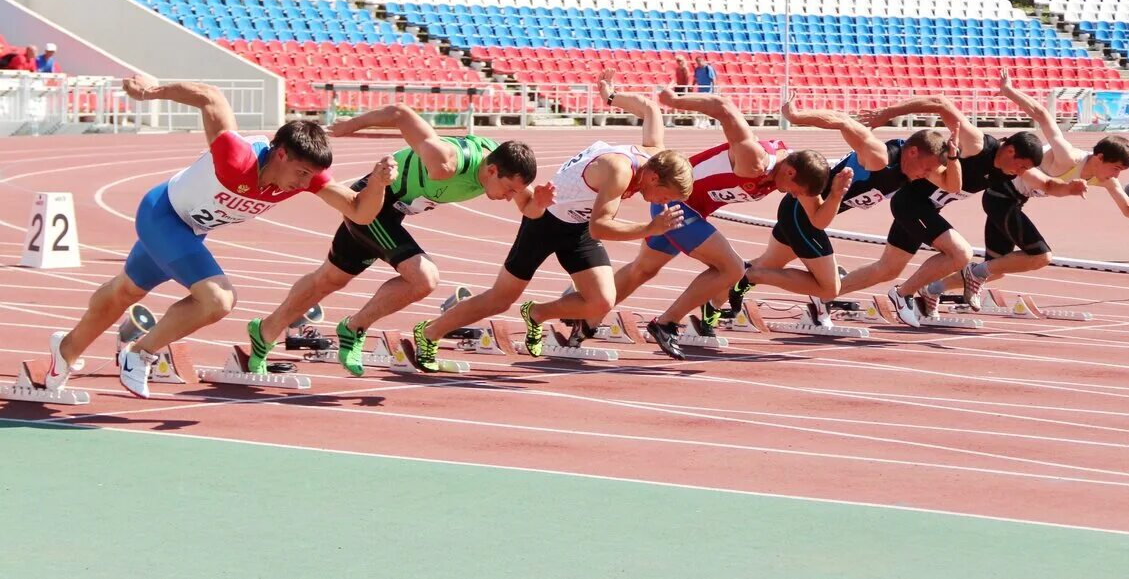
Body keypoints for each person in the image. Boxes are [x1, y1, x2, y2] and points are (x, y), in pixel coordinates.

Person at [43, 77, 397, 398]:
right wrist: (152, 91)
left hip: (190, 231)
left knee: (125, 291)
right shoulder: (236, 157)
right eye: (301, 173)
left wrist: (378, 185)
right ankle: (139, 353)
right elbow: (210, 96)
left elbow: (359, 211)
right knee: (217, 300)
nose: (304, 184)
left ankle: (66, 351)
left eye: (311, 177)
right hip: (162, 215)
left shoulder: (308, 179)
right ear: (281, 153)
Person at [410, 69, 693, 370]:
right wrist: (649, 229)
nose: (666, 202)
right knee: (500, 299)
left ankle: (536, 314)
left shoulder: (656, 154)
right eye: (666, 195)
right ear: (652, 176)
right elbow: (601, 226)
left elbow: (649, 109)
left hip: (577, 227)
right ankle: (429, 333)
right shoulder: (619, 170)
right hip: (545, 222)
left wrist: (611, 95)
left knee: (601, 301)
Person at [244, 102, 544, 376]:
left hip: (391, 214)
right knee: (424, 277)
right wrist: (351, 125)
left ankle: (265, 332)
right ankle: (354, 328)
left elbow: (529, 208)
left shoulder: (505, 170)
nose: (510, 198)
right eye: (508, 190)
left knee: (329, 279)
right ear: (491, 170)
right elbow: (400, 114)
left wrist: (540, 203)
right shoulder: (446, 162)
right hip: (373, 200)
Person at [594, 89, 837, 359]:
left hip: (689, 211)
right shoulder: (753, 159)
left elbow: (817, 219)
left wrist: (836, 195)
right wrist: (676, 102)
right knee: (731, 268)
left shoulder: (795, 173)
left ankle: (585, 314)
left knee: (643, 270)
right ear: (790, 172)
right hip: (675, 204)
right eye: (794, 191)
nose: (791, 196)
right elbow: (723, 107)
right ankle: (666, 323)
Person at [922, 69, 1129, 307]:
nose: (1117, 175)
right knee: (1040, 256)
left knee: (997, 268)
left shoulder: (1105, 180)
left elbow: (1128, 209)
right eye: (1115, 168)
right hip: (1002, 194)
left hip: (1012, 202)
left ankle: (932, 289)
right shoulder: (1068, 156)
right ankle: (972, 275)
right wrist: (1009, 91)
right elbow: (1042, 115)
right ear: (1100, 157)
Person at [730, 104, 957, 326]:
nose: (926, 175)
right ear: (913, 152)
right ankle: (752, 277)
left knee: (766, 263)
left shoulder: (914, 168)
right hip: (803, 214)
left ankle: (717, 297)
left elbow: (952, 186)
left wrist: (954, 158)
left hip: (802, 212)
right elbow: (843, 121)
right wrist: (798, 117)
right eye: (926, 169)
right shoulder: (878, 156)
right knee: (829, 288)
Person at [848, 95, 1062, 326]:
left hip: (927, 209)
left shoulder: (1011, 170)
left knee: (887, 269)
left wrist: (1073, 186)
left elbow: (1047, 184)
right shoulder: (976, 143)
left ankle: (824, 296)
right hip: (912, 203)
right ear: (1010, 151)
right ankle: (902, 295)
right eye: (1021, 166)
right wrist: (889, 112)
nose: (1021, 173)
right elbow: (940, 102)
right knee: (960, 254)